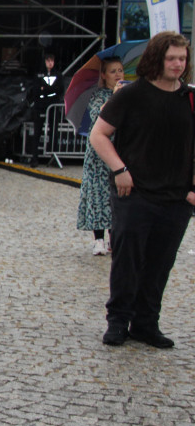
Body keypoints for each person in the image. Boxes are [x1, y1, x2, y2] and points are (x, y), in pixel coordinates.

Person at [89, 32, 195, 349]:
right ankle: (118, 321)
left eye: (183, 58)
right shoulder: (131, 95)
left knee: (160, 264)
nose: (178, 64)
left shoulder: (190, 99)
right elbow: (99, 135)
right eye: (172, 58)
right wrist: (120, 170)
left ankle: (146, 323)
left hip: (176, 198)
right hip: (134, 194)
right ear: (157, 59)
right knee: (127, 261)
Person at [76, 56, 125, 256]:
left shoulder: (127, 94)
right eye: (113, 71)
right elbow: (100, 116)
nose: (118, 75)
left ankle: (115, 238)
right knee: (98, 195)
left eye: (120, 70)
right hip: (98, 156)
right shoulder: (98, 96)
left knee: (116, 197)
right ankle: (98, 240)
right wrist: (114, 96)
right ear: (104, 75)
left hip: (119, 151)